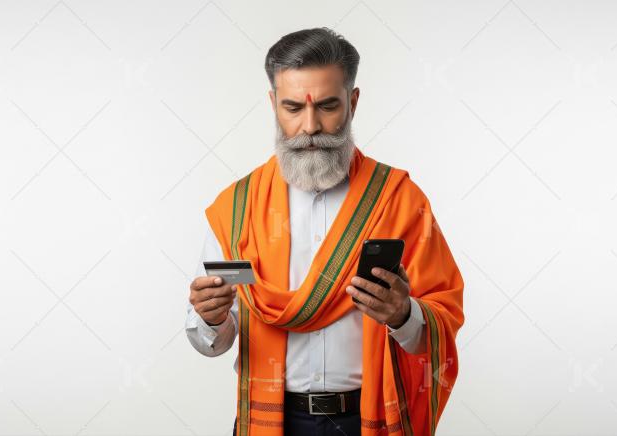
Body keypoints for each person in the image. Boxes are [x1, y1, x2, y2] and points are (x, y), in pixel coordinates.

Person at [185, 27, 464, 436]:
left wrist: (403, 314)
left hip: (367, 419)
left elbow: (443, 323)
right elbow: (211, 340)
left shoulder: (400, 199)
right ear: (273, 104)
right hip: (274, 421)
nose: (310, 125)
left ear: (353, 101)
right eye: (293, 107)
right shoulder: (236, 209)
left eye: (328, 105)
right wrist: (210, 319)